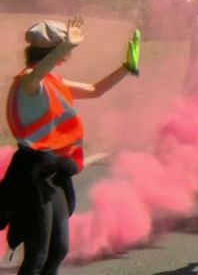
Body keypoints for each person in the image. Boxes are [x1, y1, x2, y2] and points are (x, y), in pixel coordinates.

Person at [0, 17, 140, 274]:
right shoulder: (29, 81)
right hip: (33, 174)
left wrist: (126, 68)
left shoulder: (53, 82)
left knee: (59, 250)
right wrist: (66, 47)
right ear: (51, 51)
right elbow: (38, 74)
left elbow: (95, 89)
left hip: (55, 174)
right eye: (62, 48)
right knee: (37, 253)